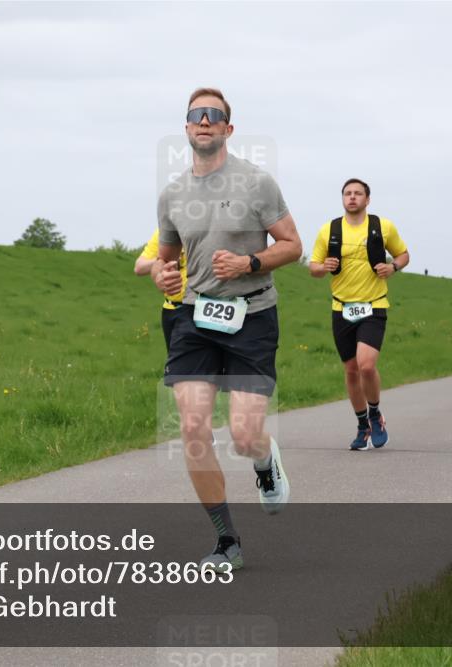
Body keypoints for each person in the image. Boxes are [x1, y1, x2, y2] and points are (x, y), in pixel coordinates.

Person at [151, 88, 302, 572]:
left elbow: (293, 245)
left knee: (242, 434)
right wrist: (162, 275)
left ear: (228, 130)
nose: (205, 121)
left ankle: (262, 458)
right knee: (193, 426)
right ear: (187, 128)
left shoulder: (257, 183)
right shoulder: (172, 195)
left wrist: (249, 262)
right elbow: (166, 261)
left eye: (215, 115)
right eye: (196, 115)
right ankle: (226, 541)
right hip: (195, 317)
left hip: (253, 316)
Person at [309, 178, 409, 450]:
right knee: (351, 370)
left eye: (358, 194)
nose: (352, 198)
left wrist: (393, 268)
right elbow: (313, 267)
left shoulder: (382, 226)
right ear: (342, 199)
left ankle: (375, 412)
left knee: (366, 365)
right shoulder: (328, 230)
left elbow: (403, 254)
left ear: (367, 199)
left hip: (374, 305)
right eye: (347, 194)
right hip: (342, 307)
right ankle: (362, 424)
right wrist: (323, 267)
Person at [135, 230, 187, 350]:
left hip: (201, 307)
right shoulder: (166, 230)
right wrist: (166, 258)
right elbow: (139, 267)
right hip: (172, 309)